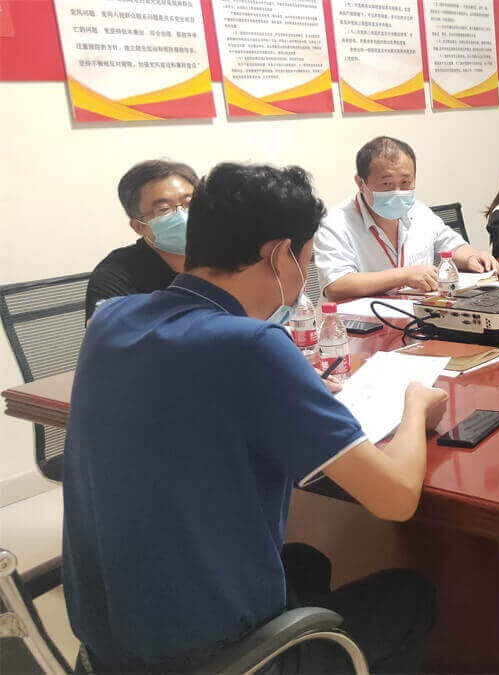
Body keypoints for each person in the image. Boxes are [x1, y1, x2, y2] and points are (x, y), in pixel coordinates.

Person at [64, 162, 448, 673]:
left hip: (107, 642)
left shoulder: (111, 319)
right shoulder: (253, 345)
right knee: (408, 597)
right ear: (280, 255)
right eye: (306, 262)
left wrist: (293, 388)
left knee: (307, 562)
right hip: (202, 656)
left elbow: (189, 393)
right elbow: (396, 498)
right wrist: (415, 404)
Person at [315, 136, 499, 301]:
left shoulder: (419, 211)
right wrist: (403, 276)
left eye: (405, 182)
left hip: (417, 316)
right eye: (387, 183)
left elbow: (453, 246)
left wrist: (473, 257)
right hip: (360, 324)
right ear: (360, 183)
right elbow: (336, 286)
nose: (397, 192)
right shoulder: (335, 223)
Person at [85, 160, 198, 320]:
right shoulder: (116, 274)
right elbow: (103, 332)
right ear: (138, 226)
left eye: (191, 203)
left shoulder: (224, 255)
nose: (183, 216)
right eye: (164, 209)